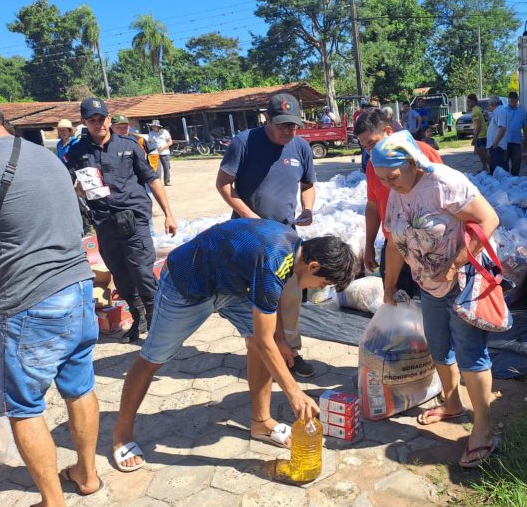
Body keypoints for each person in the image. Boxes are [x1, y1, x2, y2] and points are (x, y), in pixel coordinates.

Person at [111, 220, 356, 471]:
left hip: (231, 285)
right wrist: (294, 392)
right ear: (314, 266)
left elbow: (273, 300)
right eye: (323, 283)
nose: (319, 289)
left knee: (262, 343)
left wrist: (280, 337)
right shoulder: (273, 260)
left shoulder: (292, 249)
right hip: (187, 285)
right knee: (153, 358)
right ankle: (121, 435)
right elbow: (264, 338)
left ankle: (261, 421)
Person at [0, 98, 100, 507]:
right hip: (78, 288)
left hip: (30, 303)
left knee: (24, 405)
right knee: (80, 385)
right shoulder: (48, 157)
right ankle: (87, 475)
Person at [371, 130, 501, 468]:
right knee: (439, 348)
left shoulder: (444, 182)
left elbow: (489, 219)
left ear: (412, 163)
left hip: (463, 282)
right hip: (428, 284)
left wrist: (455, 264)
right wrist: (388, 284)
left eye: (393, 176)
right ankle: (453, 404)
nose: (389, 184)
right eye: (382, 179)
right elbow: (395, 240)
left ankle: (483, 430)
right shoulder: (396, 192)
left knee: (471, 354)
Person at [215, 93, 316, 378]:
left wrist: (308, 208)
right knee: (258, 299)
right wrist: (250, 217)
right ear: (267, 119)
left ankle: (290, 353)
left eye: (293, 126)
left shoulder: (301, 148)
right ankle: (263, 353)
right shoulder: (244, 142)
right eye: (282, 125)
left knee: (290, 297)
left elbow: (308, 184)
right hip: (249, 237)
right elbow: (223, 184)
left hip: (286, 238)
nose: (289, 131)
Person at [66, 98, 177, 343]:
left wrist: (168, 213)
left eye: (101, 119)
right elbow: (71, 183)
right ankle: (139, 319)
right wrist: (78, 189)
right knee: (121, 274)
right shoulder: (76, 151)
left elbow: (152, 179)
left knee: (142, 272)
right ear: (84, 123)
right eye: (92, 120)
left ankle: (160, 324)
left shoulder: (129, 145)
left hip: (134, 218)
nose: (98, 124)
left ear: (109, 119)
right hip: (104, 221)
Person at [355, 108, 443, 298]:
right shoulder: (373, 165)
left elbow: (446, 199)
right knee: (396, 302)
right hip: (395, 245)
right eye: (365, 147)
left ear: (388, 131)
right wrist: (369, 245)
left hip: (428, 246)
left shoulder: (424, 153)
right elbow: (373, 205)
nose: (370, 151)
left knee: (431, 305)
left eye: (372, 143)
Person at [501, 91, 527, 176]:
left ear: (517, 100)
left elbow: (525, 125)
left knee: (517, 161)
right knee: (504, 161)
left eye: (514, 99)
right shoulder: (503, 111)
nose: (513, 101)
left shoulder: (522, 112)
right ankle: (505, 178)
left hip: (516, 141)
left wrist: (526, 137)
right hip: (505, 141)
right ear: (508, 100)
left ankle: (514, 178)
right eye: (511, 99)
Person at [468, 94, 490, 173]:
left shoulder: (475, 111)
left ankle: (490, 169)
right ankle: (485, 168)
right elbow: (486, 119)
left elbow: (478, 126)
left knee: (482, 154)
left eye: (469, 102)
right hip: (486, 133)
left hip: (481, 135)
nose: (468, 103)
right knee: (484, 153)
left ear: (474, 101)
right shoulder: (480, 108)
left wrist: (474, 138)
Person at [148, 119, 172, 186]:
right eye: (152, 126)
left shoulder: (164, 132)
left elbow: (170, 142)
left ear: (158, 126)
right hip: (155, 153)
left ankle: (167, 181)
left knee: (166, 167)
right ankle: (159, 183)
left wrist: (163, 147)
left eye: (155, 126)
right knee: (157, 169)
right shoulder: (151, 133)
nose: (153, 127)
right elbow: (149, 142)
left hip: (165, 153)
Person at [486, 96, 506, 175]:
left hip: (497, 146)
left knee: (497, 170)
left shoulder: (500, 112)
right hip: (495, 145)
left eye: (489, 105)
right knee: (495, 169)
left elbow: (502, 128)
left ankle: (500, 186)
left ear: (492, 105)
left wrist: (495, 143)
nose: (488, 107)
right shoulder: (497, 112)